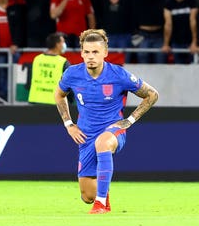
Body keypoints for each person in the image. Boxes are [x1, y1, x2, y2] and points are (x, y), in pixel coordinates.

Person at [54, 29, 159, 214]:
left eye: (95, 52)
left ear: (105, 53)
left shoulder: (119, 75)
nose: (90, 57)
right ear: (81, 53)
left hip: (113, 130)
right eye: (86, 52)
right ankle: (101, 196)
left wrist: (130, 120)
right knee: (87, 196)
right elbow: (59, 94)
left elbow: (152, 95)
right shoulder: (72, 74)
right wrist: (69, 124)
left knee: (102, 143)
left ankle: (101, 205)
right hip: (86, 134)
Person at [28, 32, 69, 104]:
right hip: (54, 103)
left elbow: (29, 82)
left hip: (35, 100)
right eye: (63, 42)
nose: (64, 45)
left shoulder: (37, 59)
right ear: (57, 44)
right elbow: (69, 85)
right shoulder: (63, 62)